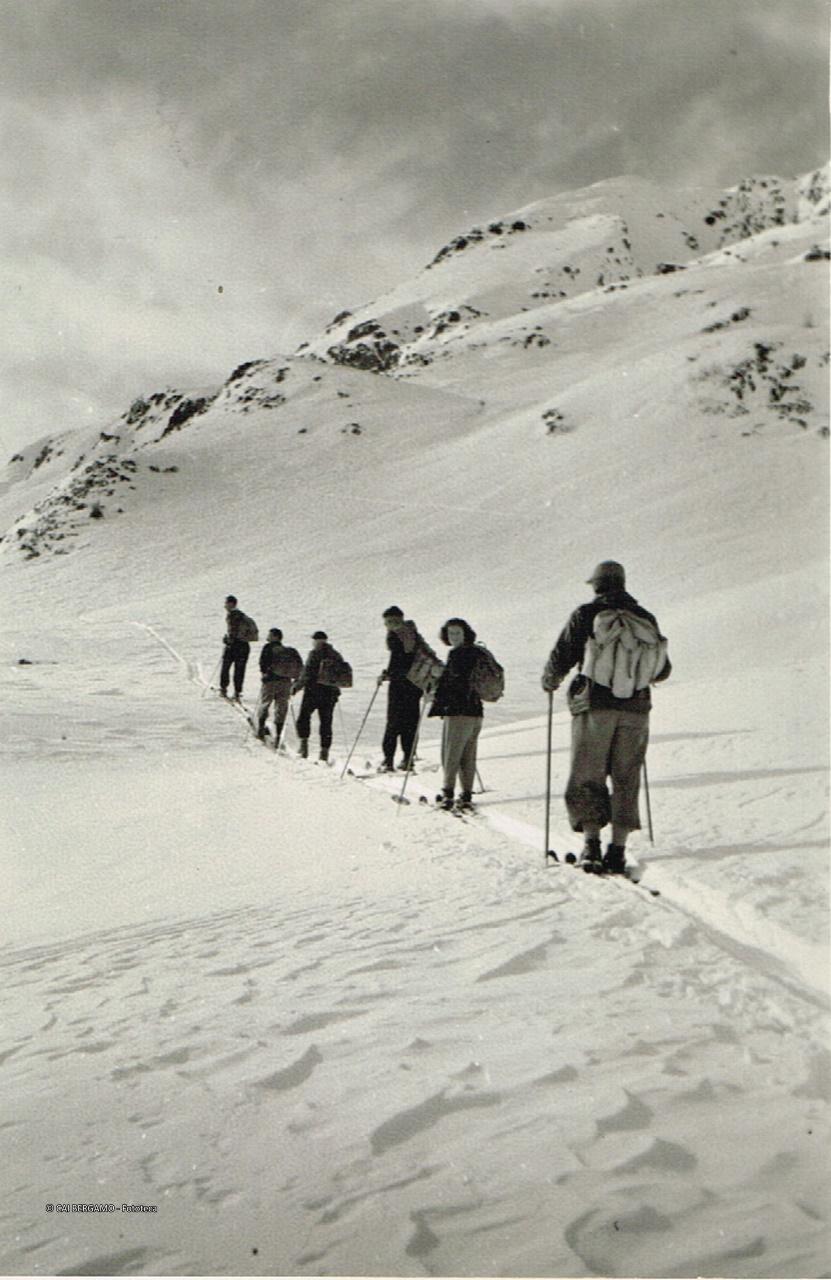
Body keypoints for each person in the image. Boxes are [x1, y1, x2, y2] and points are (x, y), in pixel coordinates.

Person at [542, 560, 671, 874]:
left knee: (588, 773)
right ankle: (618, 849)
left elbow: (564, 653)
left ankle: (591, 845)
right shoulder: (645, 617)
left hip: (595, 705)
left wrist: (550, 679)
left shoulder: (586, 614)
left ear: (597, 585)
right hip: (637, 709)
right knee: (627, 775)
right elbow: (664, 669)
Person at [427, 617, 484, 813]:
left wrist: (436, 693)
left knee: (451, 754)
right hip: (476, 711)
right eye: (451, 633)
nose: (453, 637)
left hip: (458, 711)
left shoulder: (458, 655)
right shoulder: (477, 652)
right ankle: (466, 794)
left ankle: (447, 794)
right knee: (469, 754)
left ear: (465, 633)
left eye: (457, 633)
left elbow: (454, 684)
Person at [377, 606, 440, 772]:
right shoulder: (413, 633)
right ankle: (408, 758)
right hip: (415, 684)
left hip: (400, 685)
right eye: (387, 623)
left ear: (398, 620)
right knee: (410, 722)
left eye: (390, 622)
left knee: (393, 722)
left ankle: (388, 760)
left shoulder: (396, 636)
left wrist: (388, 674)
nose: (389, 625)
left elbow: (398, 660)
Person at [293, 631, 342, 762]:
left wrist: (296, 687)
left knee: (304, 717)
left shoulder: (314, 653)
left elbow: (306, 674)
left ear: (316, 640)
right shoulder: (336, 655)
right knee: (326, 723)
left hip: (313, 691)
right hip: (330, 694)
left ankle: (303, 747)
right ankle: (324, 753)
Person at [256, 628, 302, 746]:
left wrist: (264, 674)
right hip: (286, 683)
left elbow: (262, 664)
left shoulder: (268, 648)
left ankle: (260, 729)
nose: (268, 637)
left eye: (270, 635)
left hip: (270, 682)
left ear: (275, 637)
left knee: (265, 704)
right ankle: (278, 735)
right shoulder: (290, 651)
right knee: (281, 709)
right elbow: (300, 668)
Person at [220, 595, 250, 700]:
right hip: (244, 646)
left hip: (234, 646)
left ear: (231, 603)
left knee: (226, 667)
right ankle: (237, 692)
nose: (224, 606)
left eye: (226, 603)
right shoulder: (242, 616)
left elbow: (233, 632)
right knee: (240, 670)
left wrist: (227, 640)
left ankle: (223, 689)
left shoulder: (232, 616)